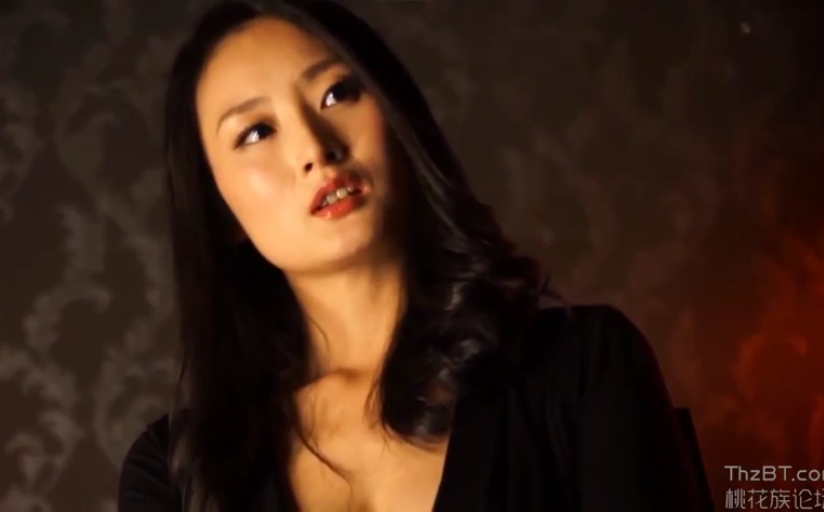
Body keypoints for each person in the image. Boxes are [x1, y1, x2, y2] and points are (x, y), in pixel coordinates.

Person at [118, 0, 705, 510]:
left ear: (397, 119)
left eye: (336, 93)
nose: (314, 148)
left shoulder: (584, 368)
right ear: (219, 210)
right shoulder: (176, 475)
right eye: (255, 132)